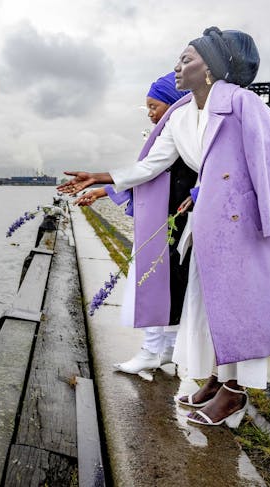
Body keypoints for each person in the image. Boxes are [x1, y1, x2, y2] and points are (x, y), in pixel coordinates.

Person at [59, 27, 270, 428]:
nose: (177, 66)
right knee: (207, 303)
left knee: (240, 306)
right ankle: (220, 378)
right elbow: (153, 163)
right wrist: (101, 177)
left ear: (212, 68)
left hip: (245, 227)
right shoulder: (181, 115)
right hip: (208, 225)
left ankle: (235, 393)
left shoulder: (245, 106)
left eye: (187, 59)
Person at [75, 72, 195, 375]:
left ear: (172, 104)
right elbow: (145, 172)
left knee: (158, 283)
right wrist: (103, 190)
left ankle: (155, 350)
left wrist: (101, 182)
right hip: (170, 218)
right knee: (168, 284)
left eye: (154, 106)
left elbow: (149, 170)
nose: (151, 114)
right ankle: (162, 349)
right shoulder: (178, 133)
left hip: (170, 219)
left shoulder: (182, 133)